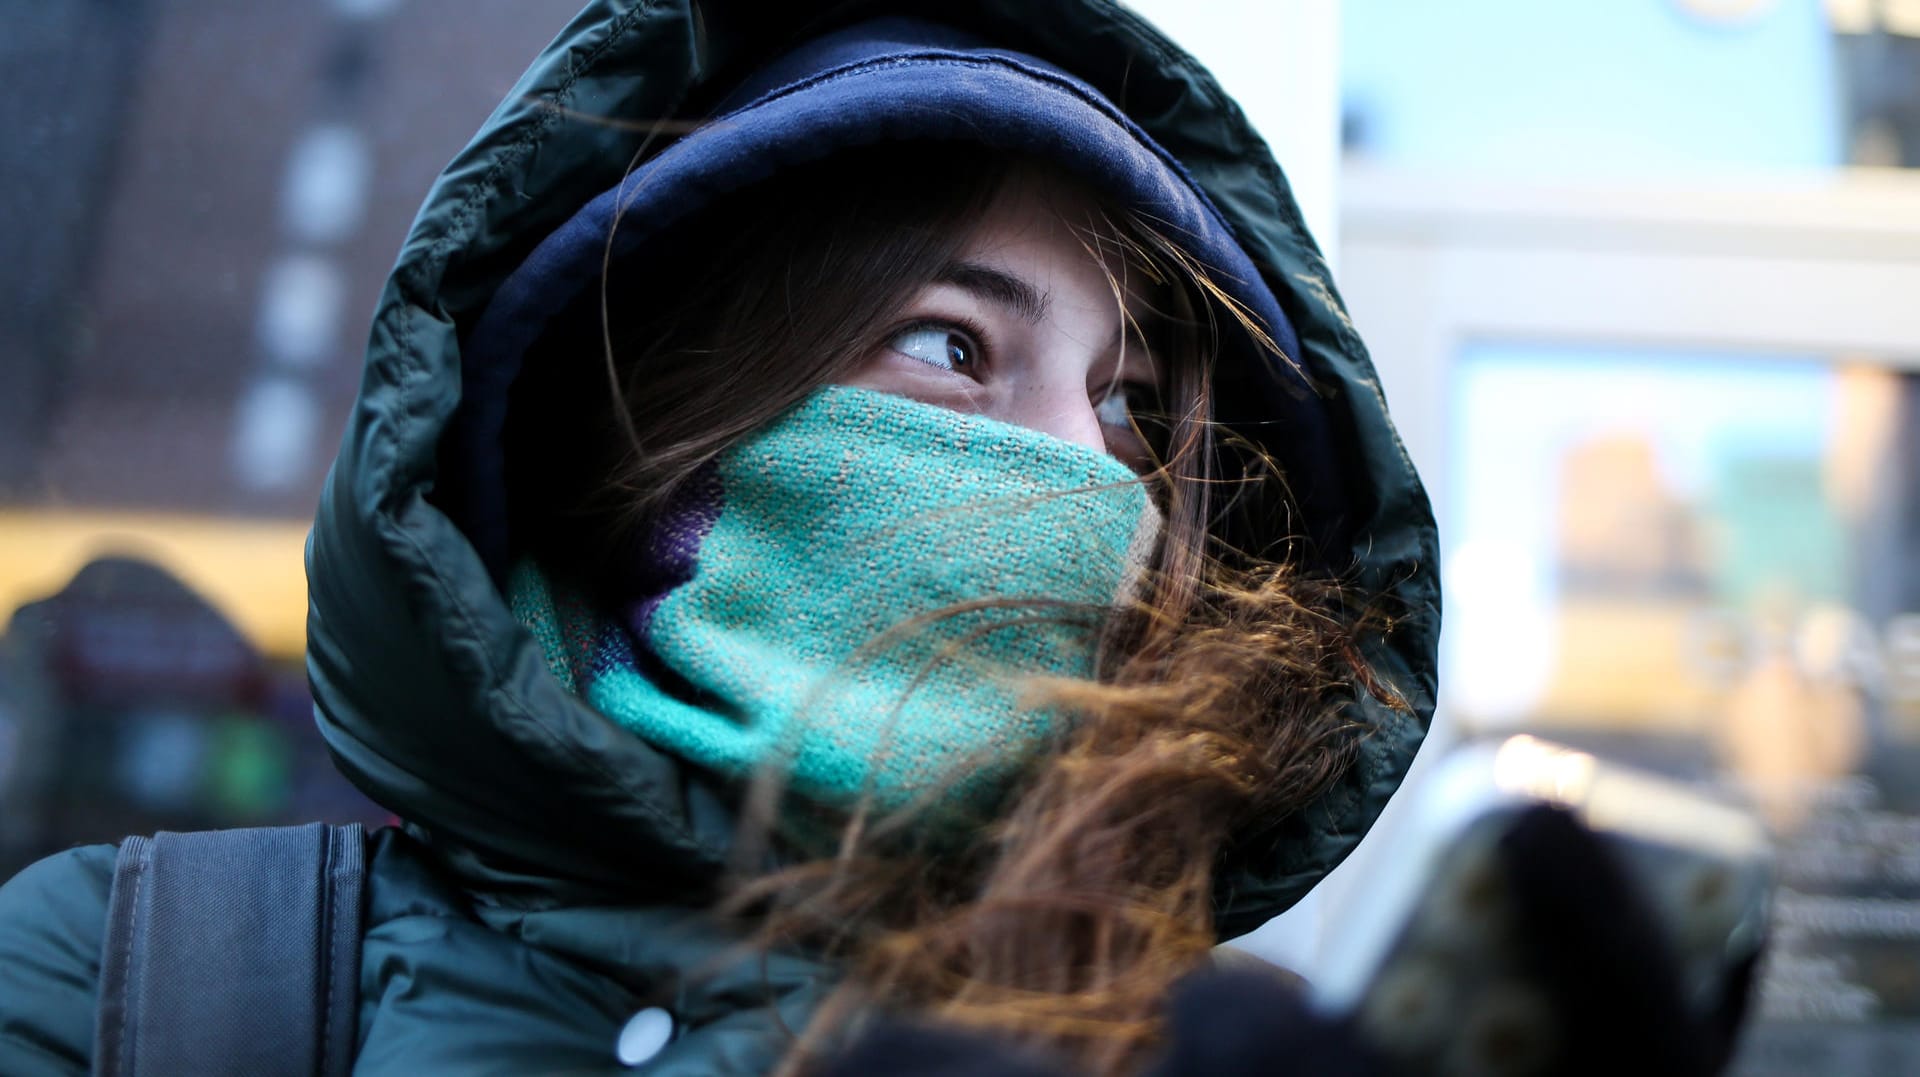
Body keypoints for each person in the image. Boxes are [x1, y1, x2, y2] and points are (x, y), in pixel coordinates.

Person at [0, 3, 1746, 1076]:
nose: (1097, 478)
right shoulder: (135, 981)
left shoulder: (1201, 1057)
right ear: (668, 409)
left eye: (1137, 407)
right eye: (953, 346)